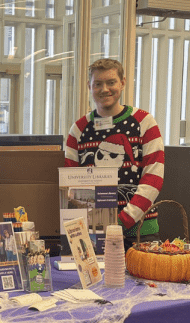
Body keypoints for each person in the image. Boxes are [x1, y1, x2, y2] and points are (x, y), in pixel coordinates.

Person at [65, 58, 164, 250]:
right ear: (89, 86)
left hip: (140, 232)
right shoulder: (78, 130)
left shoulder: (144, 122)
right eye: (98, 84)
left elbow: (153, 178)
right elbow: (72, 184)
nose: (105, 89)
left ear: (122, 83)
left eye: (111, 82)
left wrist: (122, 221)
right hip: (94, 234)